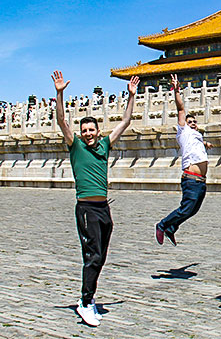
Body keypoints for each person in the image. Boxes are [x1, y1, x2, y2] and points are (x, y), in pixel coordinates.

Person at [52, 70, 139, 327]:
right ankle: (85, 302)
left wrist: (131, 96)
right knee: (92, 256)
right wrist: (59, 93)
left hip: (104, 208)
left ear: (98, 131)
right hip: (87, 208)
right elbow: (61, 122)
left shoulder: (104, 145)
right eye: (85, 130)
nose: (88, 133)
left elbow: (125, 121)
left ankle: (88, 299)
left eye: (92, 130)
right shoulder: (76, 145)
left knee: (100, 256)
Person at [155, 74, 212, 246]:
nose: (193, 123)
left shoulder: (196, 136)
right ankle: (163, 224)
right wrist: (177, 91)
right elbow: (181, 109)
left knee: (193, 210)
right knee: (186, 208)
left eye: (195, 122)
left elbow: (199, 142)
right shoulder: (183, 132)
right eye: (190, 121)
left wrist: (206, 143)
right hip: (191, 178)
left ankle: (171, 229)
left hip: (201, 180)